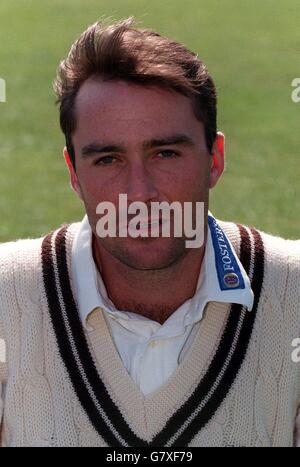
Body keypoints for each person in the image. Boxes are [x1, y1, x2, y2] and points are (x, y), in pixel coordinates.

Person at [0, 18, 299, 448]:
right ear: (74, 174)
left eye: (165, 153)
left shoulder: (293, 294)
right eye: (108, 159)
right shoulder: (8, 299)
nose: (139, 193)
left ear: (214, 159)